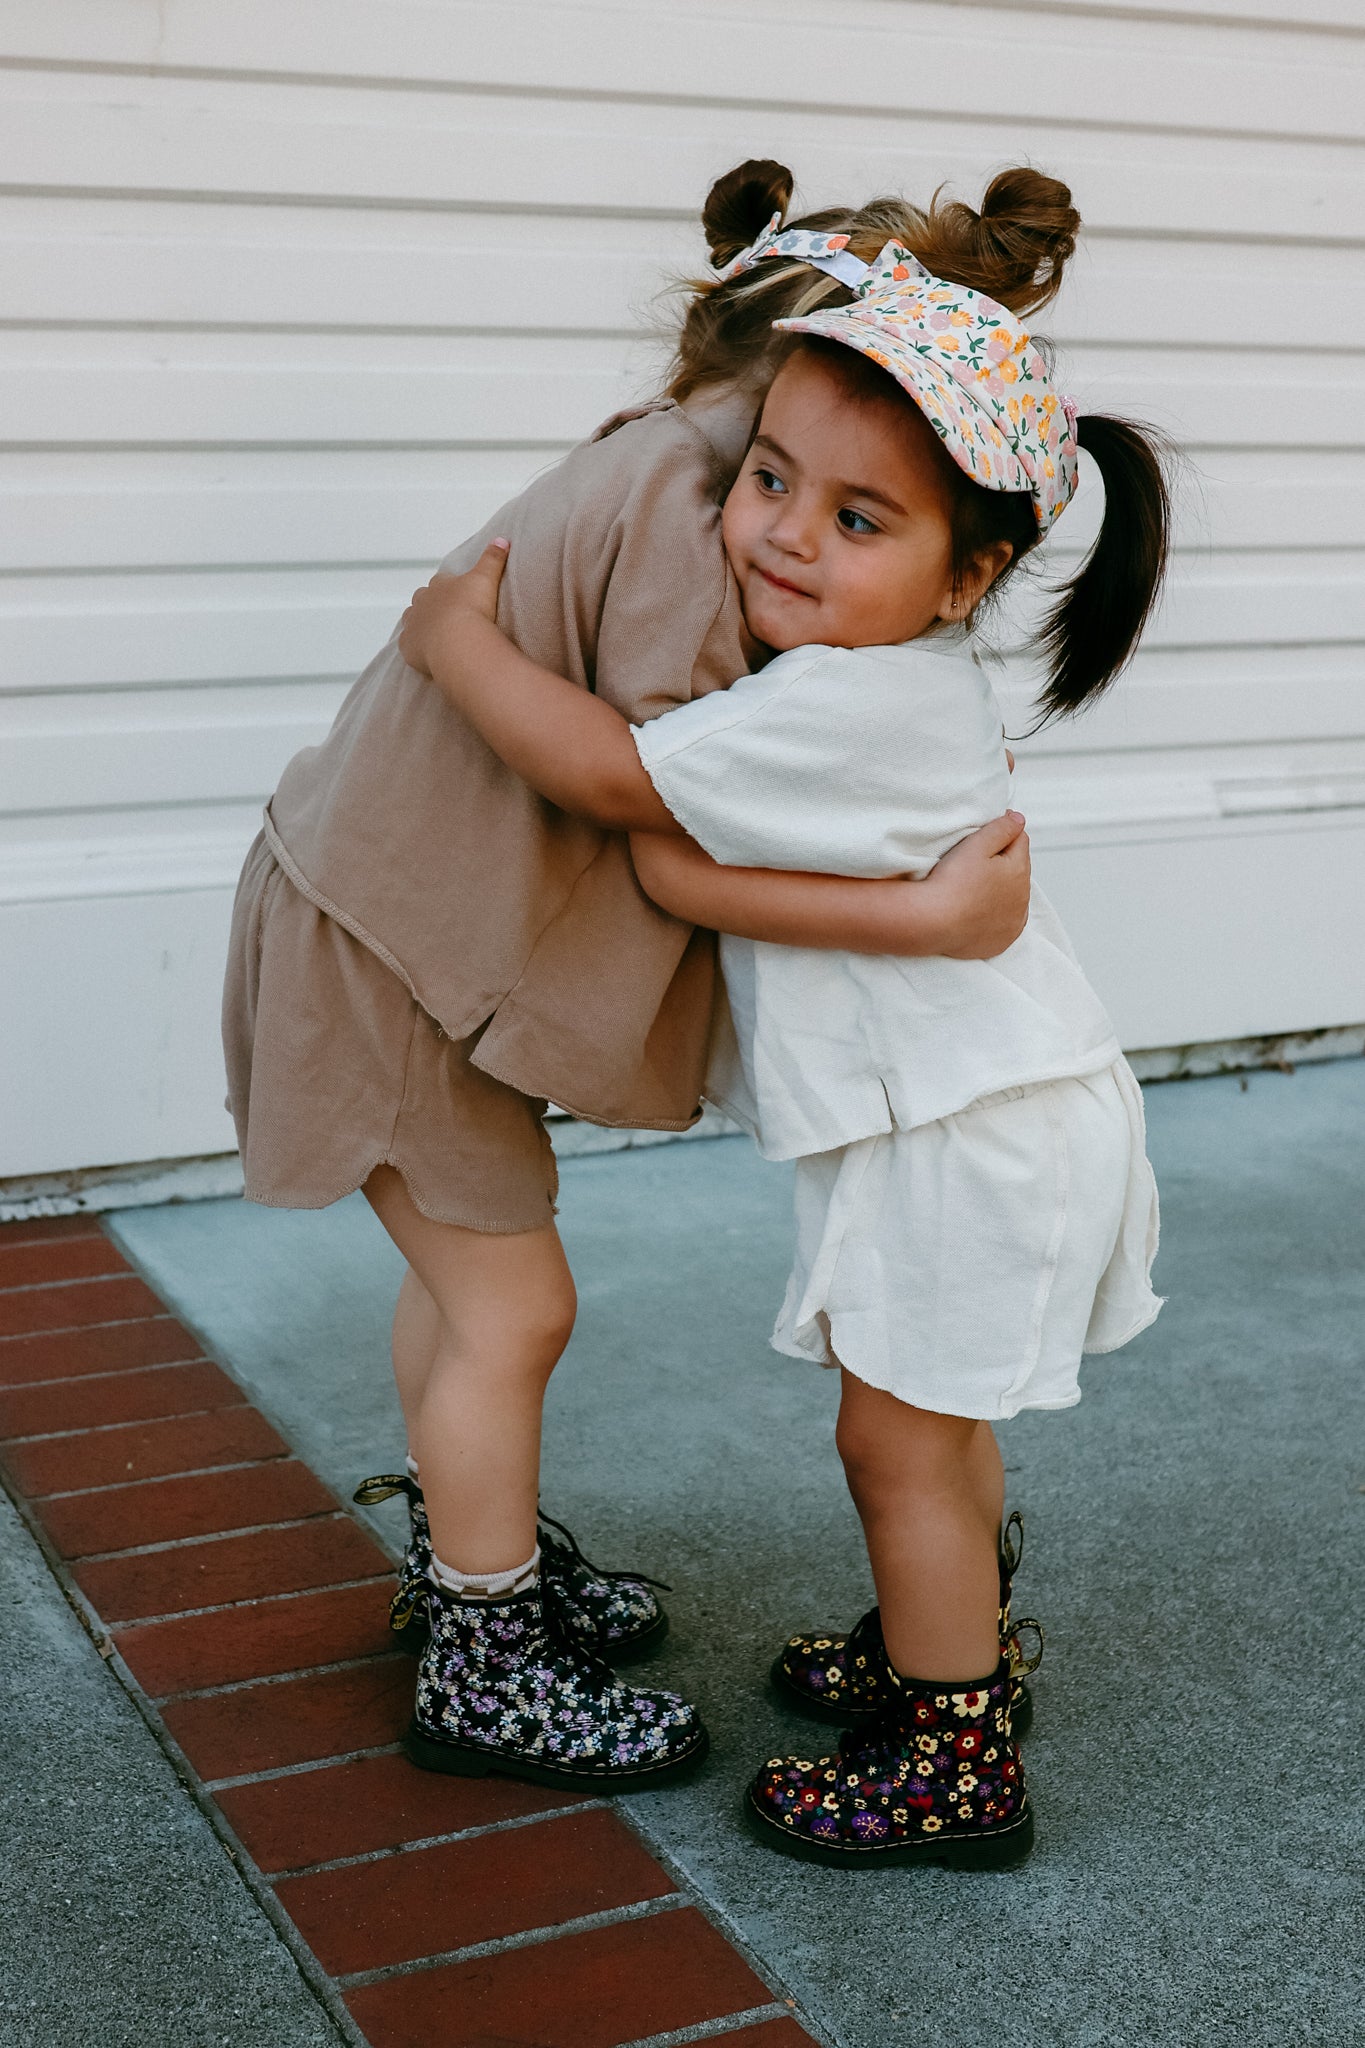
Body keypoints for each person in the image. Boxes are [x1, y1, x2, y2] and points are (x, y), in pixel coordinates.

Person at [222, 161, 1075, 1791]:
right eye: (795, 474)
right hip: (386, 938)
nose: (791, 526)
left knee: (466, 1292)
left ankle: (479, 1567)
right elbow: (637, 786)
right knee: (509, 1306)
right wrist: (448, 637)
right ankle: (485, 1657)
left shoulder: (676, 462)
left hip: (371, 907)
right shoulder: (687, 522)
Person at [396, 232, 1169, 1856]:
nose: (782, 539)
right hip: (988, 1114)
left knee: (895, 1441)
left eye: (857, 518)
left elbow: (627, 800)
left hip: (967, 1128)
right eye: (766, 480)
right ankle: (930, 1656)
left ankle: (956, 1760)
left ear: (964, 577)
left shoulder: (841, 697)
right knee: (929, 1431)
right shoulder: (890, 670)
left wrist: (452, 642)